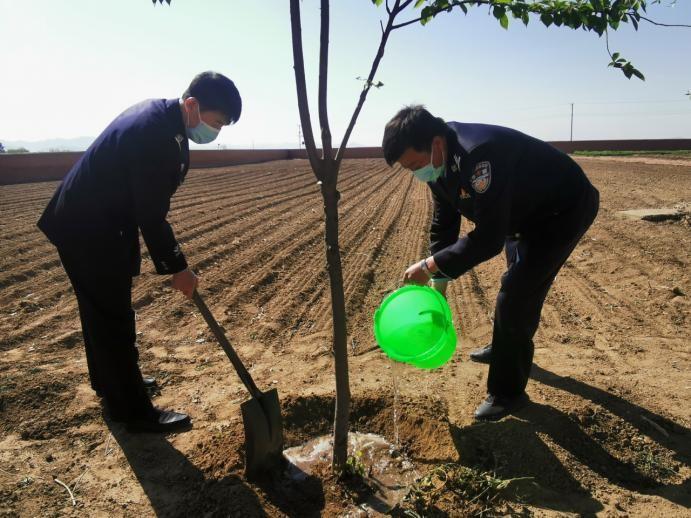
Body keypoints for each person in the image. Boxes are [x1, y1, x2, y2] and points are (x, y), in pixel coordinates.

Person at [37, 71, 241, 432]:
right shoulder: (154, 135)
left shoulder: (165, 120)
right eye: (217, 123)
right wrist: (179, 269)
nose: (216, 133)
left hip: (93, 222)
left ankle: (112, 384)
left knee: (100, 312)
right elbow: (151, 215)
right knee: (112, 316)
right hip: (89, 228)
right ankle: (131, 410)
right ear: (192, 105)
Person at [382, 105, 599, 421]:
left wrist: (429, 266)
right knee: (519, 286)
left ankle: (507, 394)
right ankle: (505, 349)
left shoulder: (478, 154)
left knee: (515, 294)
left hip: (561, 212)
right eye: (409, 169)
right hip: (520, 214)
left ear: (436, 143)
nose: (417, 173)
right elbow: (445, 224)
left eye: (415, 164)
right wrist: (436, 291)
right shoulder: (437, 165)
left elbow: (488, 239)